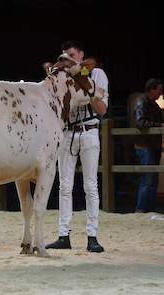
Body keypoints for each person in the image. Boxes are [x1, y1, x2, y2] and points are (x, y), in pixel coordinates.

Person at [46, 40, 109, 252]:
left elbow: (102, 109)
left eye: (71, 54)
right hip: (67, 132)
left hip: (89, 131)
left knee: (90, 185)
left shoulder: (96, 74)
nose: (67, 59)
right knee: (64, 186)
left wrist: (84, 84)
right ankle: (64, 235)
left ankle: (92, 236)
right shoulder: (62, 77)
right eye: (64, 55)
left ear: (81, 55)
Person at [128, 78, 163, 213]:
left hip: (152, 145)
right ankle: (141, 208)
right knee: (148, 179)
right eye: (159, 90)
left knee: (153, 180)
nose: (160, 93)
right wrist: (159, 125)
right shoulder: (142, 101)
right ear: (152, 89)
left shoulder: (153, 104)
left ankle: (149, 208)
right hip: (145, 145)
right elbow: (140, 122)